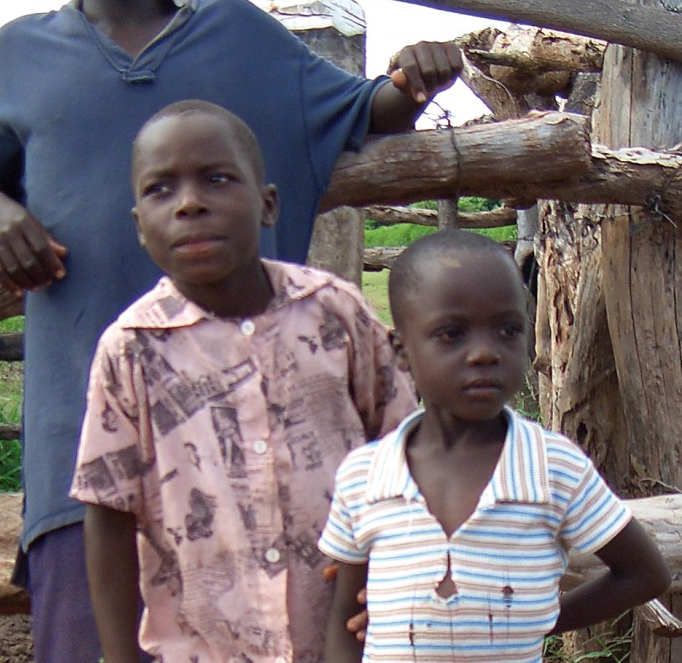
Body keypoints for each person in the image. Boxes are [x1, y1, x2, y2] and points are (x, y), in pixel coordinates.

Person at [0, 0, 461, 657]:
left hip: (265, 459)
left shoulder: (240, 36)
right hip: (86, 452)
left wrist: (412, 80)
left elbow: (360, 110)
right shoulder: (20, 55)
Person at [69, 102, 420, 662]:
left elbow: (406, 455)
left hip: (350, 637)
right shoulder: (130, 349)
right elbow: (108, 512)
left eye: (216, 179)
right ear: (139, 227)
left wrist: (400, 578)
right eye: (161, 190)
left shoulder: (337, 315)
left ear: (268, 204)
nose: (189, 204)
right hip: (204, 647)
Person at [318, 230, 672, 662]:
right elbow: (345, 621)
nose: (485, 353)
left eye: (508, 330)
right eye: (452, 333)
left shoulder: (553, 468)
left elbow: (645, 573)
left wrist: (538, 619)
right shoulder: (364, 475)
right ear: (402, 351)